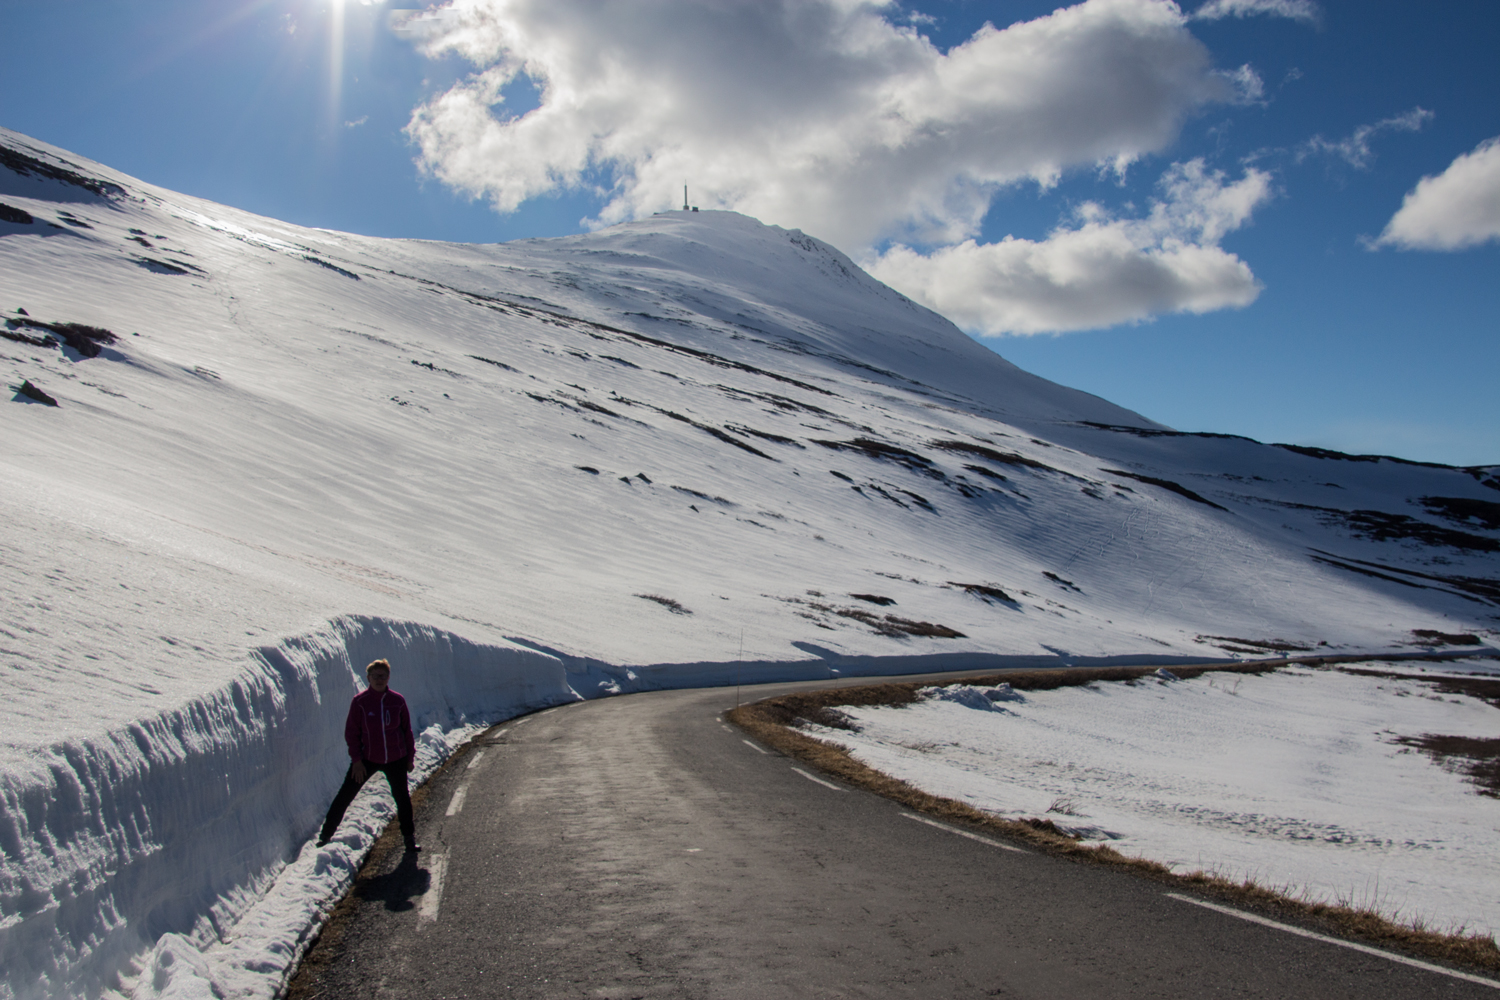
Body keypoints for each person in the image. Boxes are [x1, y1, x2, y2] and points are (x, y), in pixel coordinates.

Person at [317, 658, 420, 852]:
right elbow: (352, 733)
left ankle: (409, 839)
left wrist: (409, 757)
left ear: (388, 678)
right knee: (345, 795)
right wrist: (357, 760)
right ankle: (325, 835)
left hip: (396, 758)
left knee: (403, 799)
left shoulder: (397, 701)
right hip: (367, 759)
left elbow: (407, 731)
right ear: (368, 678)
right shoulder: (360, 702)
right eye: (375, 676)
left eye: (383, 676)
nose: (379, 680)